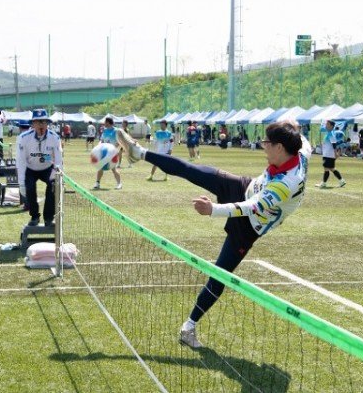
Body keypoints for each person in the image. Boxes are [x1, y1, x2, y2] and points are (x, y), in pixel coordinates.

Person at [116, 121, 311, 348]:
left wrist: (213, 211)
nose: (262, 146)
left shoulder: (288, 183)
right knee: (191, 170)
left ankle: (189, 326)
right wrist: (291, 123)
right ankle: (139, 153)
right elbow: (300, 135)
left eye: (266, 142)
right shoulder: (299, 148)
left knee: (219, 275)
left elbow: (250, 207)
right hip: (245, 186)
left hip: (249, 224)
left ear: (279, 148)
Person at [16, 109, 62, 227]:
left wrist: (59, 177)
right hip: (30, 168)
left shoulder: (55, 138)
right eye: (38, 122)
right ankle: (34, 216)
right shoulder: (23, 138)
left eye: (43, 122)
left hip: (47, 168)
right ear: (32, 124)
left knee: (53, 187)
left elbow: (58, 159)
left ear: (47, 123)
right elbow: (21, 161)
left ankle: (48, 218)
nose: (41, 125)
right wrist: (21, 183)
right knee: (30, 188)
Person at [94, 116, 122, 190]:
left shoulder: (116, 131)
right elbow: (102, 140)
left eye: (105, 122)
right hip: (103, 152)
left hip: (112, 153)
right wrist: (99, 144)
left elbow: (119, 142)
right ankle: (97, 183)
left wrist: (112, 148)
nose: (104, 123)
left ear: (108, 122)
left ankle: (119, 184)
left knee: (114, 169)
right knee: (100, 167)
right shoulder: (105, 130)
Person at [315, 120, 346, 188]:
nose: (326, 125)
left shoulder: (331, 134)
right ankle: (341, 181)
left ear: (331, 126)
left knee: (327, 169)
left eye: (327, 124)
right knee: (332, 168)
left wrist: (336, 154)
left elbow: (334, 144)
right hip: (328, 154)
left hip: (328, 155)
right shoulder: (329, 133)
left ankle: (324, 183)